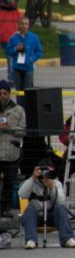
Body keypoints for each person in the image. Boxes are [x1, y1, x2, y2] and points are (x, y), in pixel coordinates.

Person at [19, 160, 75, 249]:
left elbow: (60, 202)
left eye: (51, 172)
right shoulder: (31, 182)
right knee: (30, 208)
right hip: (35, 217)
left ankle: (67, 238)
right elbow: (22, 195)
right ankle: (31, 240)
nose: (47, 175)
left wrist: (52, 188)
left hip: (52, 216)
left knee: (60, 208)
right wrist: (33, 178)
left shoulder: (56, 183)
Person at [0, 81, 24, 217]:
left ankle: (6, 208)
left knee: (10, 181)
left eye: (5, 93)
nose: (2, 96)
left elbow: (23, 130)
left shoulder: (18, 110)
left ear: (9, 94)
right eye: (0, 93)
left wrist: (10, 128)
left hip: (11, 152)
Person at [5, 17, 42, 90]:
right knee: (18, 90)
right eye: (22, 24)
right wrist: (15, 49)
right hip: (17, 68)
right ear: (18, 25)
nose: (24, 26)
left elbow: (39, 51)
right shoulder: (14, 38)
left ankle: (28, 102)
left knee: (28, 90)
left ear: (28, 25)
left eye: (26, 24)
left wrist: (32, 59)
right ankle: (19, 102)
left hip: (28, 68)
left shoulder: (34, 38)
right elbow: (8, 51)